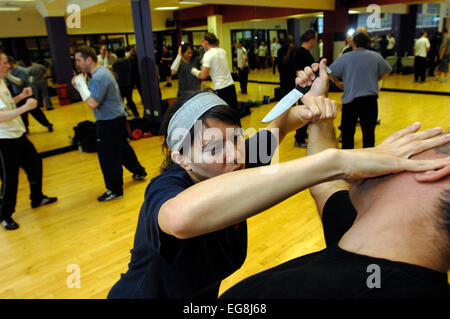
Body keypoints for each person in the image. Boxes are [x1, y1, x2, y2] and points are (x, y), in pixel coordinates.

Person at [107, 60, 449, 298]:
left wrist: (308, 102)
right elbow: (180, 218)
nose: (236, 155)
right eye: (213, 148)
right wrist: (338, 161)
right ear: (180, 156)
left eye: (238, 139)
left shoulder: (230, 160)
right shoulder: (167, 188)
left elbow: (278, 127)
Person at [219, 62, 450, 299]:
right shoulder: (366, 230)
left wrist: (342, 160)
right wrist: (319, 109)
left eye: (415, 148)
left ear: (438, 171)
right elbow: (328, 184)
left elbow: (181, 214)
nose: (390, 149)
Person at [71, 46, 147, 202]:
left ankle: (114, 190)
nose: (77, 63)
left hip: (108, 122)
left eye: (79, 60)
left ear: (89, 59)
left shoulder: (99, 77)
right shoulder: (100, 74)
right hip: (115, 119)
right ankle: (139, 171)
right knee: (122, 148)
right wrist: (81, 86)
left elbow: (92, 102)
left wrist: (81, 85)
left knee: (108, 156)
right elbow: (90, 97)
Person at [0, 51, 57, 230]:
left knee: (35, 164)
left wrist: (21, 97)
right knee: (10, 180)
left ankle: (37, 198)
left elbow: (8, 106)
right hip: (4, 140)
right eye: (4, 63)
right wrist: (25, 107)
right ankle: (5, 215)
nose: (8, 66)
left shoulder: (2, 81)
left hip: (18, 134)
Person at [329, 33, 392, 149]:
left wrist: (337, 83)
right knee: (369, 134)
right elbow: (388, 70)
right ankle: (368, 162)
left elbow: (328, 71)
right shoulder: (375, 56)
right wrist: (377, 79)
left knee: (347, 134)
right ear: (368, 44)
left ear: (353, 43)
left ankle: (347, 162)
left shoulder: (346, 56)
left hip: (351, 101)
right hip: (370, 100)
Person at [191, 32, 238, 111]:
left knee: (223, 116)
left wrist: (194, 71)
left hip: (220, 88)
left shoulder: (208, 54)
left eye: (202, 43)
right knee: (233, 113)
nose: (202, 45)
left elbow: (203, 75)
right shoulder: (222, 51)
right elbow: (215, 62)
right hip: (230, 86)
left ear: (206, 42)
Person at [5, 56, 53, 133]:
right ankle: (25, 129)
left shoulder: (21, 70)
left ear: (10, 63)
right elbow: (7, 83)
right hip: (18, 95)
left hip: (27, 94)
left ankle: (48, 125)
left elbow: (21, 82)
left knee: (36, 112)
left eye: (6, 63)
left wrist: (9, 76)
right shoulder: (9, 72)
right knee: (22, 114)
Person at [293, 29, 318, 148]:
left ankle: (302, 134)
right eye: (316, 39)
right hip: (303, 89)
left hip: (307, 89)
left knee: (308, 113)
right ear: (312, 40)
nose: (316, 42)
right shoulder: (300, 52)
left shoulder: (305, 52)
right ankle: (299, 138)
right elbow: (299, 71)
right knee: (304, 112)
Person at [112, 48, 139, 118]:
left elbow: (112, 69)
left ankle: (123, 114)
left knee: (120, 101)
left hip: (120, 84)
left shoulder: (116, 63)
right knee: (130, 100)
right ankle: (136, 114)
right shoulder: (128, 61)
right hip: (128, 84)